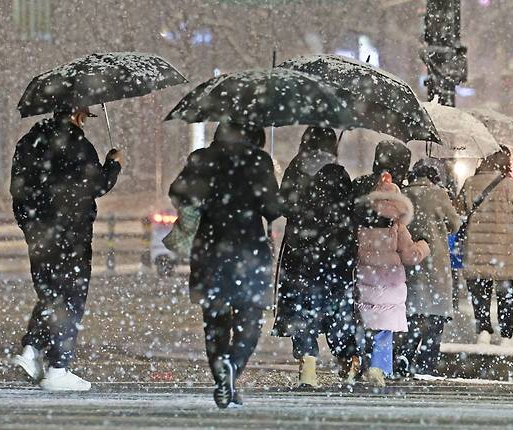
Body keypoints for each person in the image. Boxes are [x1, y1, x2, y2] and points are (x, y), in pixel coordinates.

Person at [169, 122, 282, 409]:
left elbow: (179, 194)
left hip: (210, 249)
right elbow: (272, 209)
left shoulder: (201, 159)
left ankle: (223, 375)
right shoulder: (258, 160)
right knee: (250, 322)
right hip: (248, 250)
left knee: (215, 321)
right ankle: (233, 366)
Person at [10, 107, 122, 391]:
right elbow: (95, 186)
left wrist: (30, 226)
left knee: (50, 293)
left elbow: (18, 190)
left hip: (39, 235)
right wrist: (113, 165)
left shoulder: (28, 143)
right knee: (71, 297)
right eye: (85, 114)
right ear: (78, 114)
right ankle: (58, 368)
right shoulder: (79, 146)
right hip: (71, 235)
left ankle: (32, 350)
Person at [272, 127, 358, 387]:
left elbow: (283, 206)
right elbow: (348, 213)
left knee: (302, 309)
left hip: (299, 253)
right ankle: (347, 360)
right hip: (334, 254)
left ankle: (307, 369)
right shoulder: (339, 174)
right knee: (336, 309)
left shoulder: (294, 170)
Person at [456, 146, 513, 346]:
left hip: (476, 249)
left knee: (479, 291)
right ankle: (506, 335)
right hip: (503, 252)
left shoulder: (469, 184)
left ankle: (484, 330)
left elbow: (457, 216)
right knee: (505, 293)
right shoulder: (511, 185)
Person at [355, 172, 430, 387]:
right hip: (389, 283)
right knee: (384, 330)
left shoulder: (363, 224)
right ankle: (379, 368)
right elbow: (410, 255)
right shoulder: (397, 226)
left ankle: (362, 364)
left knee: (366, 324)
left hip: (366, 280)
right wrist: (424, 246)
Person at [396, 160, 460, 376]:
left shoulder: (402, 195)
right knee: (435, 315)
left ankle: (404, 354)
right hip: (435, 261)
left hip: (409, 259)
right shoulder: (439, 194)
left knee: (412, 312)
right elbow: (455, 224)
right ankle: (426, 363)